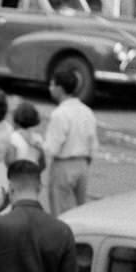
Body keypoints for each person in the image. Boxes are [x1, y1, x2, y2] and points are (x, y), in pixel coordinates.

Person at [43, 68, 97, 216]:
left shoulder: (59, 114)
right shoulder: (87, 111)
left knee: (61, 212)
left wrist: (37, 144)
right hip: (83, 164)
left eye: (52, 85)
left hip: (63, 165)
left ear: (60, 89)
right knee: (79, 211)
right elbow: (93, 144)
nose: (50, 88)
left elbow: (52, 148)